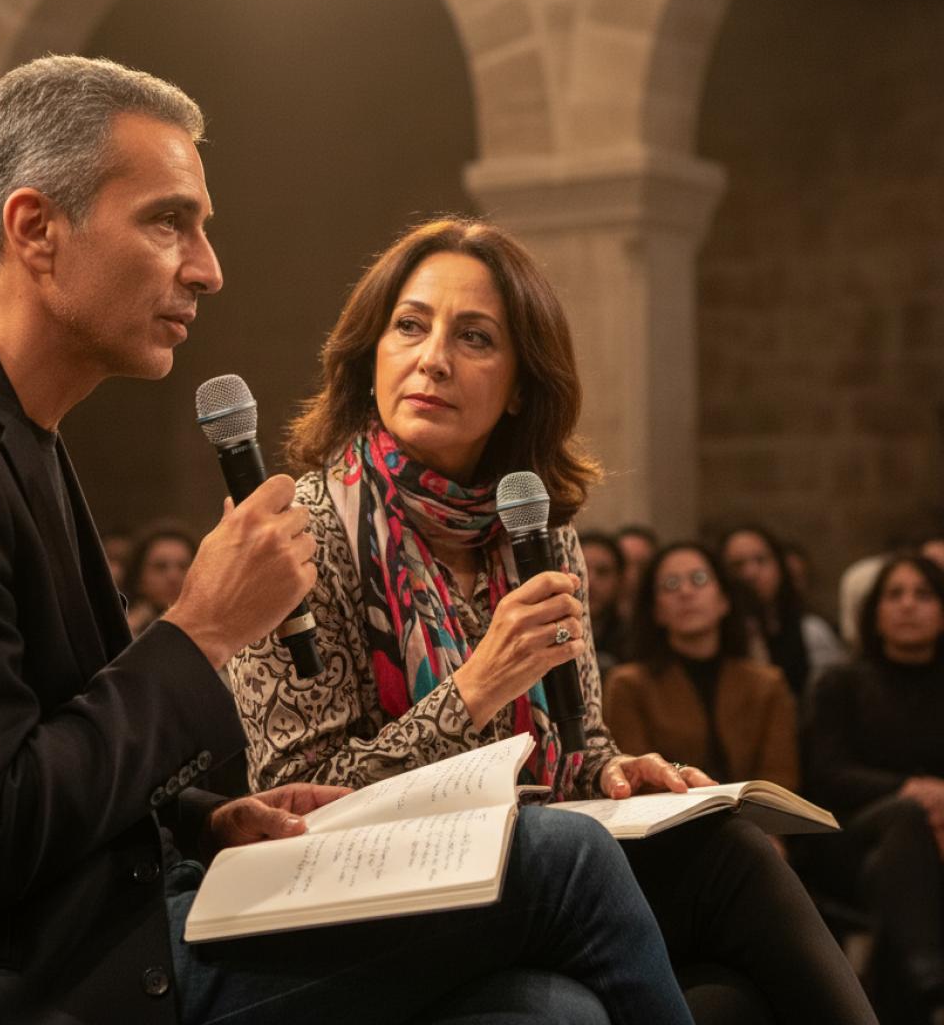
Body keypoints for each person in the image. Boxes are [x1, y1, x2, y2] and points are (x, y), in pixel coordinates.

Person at [0, 57, 694, 1025]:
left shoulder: (12, 435)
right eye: (168, 221)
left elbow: (48, 746)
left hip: (91, 932)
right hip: (4, 986)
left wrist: (206, 818)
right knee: (566, 860)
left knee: (544, 1013)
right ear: (35, 229)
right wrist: (197, 632)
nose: (208, 267)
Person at [229, 217, 877, 1025]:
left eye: (474, 337)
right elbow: (295, 810)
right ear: (371, 354)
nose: (433, 358)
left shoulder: (537, 531)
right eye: (410, 325)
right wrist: (473, 689)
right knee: (566, 1010)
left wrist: (612, 771)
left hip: (541, 861)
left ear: (521, 386)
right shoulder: (303, 533)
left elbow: (577, 738)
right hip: (393, 906)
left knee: (731, 864)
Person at [803, 553, 944, 1025]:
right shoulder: (841, 682)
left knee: (896, 869)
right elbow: (827, 774)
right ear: (875, 612)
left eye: (923, 595)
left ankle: (913, 991)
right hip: (853, 835)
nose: (908, 606)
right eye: (894, 594)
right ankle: (928, 972)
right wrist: (911, 790)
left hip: (913, 849)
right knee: (905, 821)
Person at [604, 543, 797, 790]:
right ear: (656, 611)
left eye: (699, 579)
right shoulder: (628, 684)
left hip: (756, 818)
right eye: (670, 584)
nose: (685, 592)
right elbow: (637, 777)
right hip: (670, 819)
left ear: (724, 600)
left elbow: (781, 776)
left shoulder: (767, 683)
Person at [720, 525, 846, 697]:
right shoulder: (713, 636)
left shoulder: (810, 632)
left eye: (761, 560)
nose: (750, 573)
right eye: (737, 565)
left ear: (780, 567)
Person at [124, 524, 197, 637]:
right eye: (160, 567)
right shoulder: (125, 630)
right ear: (138, 577)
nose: (173, 577)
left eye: (183, 566)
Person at [580, 532, 627, 676]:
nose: (590, 581)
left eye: (603, 572)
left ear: (620, 580)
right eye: (581, 570)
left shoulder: (636, 642)